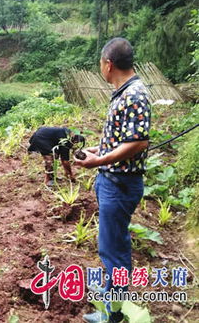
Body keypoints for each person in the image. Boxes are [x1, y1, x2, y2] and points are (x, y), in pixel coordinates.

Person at [75, 38, 151, 323]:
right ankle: (111, 296)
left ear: (108, 64)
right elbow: (124, 140)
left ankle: (112, 316)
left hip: (119, 185)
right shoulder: (126, 92)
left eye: (100, 64)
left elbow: (137, 143)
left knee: (114, 251)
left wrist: (98, 160)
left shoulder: (134, 95)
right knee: (113, 244)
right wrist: (98, 150)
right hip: (113, 181)